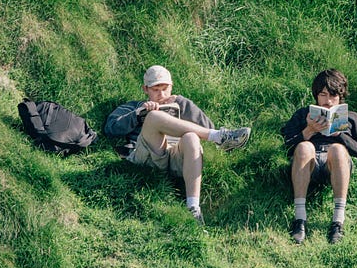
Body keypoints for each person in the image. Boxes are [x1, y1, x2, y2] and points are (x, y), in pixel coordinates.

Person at [104, 65, 251, 224]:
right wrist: (138, 114)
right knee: (153, 116)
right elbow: (110, 128)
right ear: (145, 89)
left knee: (192, 137)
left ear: (171, 87)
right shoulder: (134, 106)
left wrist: (183, 103)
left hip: (175, 159)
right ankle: (219, 137)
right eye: (155, 89)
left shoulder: (180, 103)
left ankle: (193, 208)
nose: (161, 94)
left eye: (165, 88)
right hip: (147, 155)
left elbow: (208, 125)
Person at [280, 68, 357, 244]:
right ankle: (300, 219)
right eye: (323, 95)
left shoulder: (351, 118)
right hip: (309, 164)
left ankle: (338, 221)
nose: (328, 101)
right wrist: (308, 131)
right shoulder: (303, 114)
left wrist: (340, 134)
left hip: (337, 165)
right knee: (305, 147)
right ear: (316, 95)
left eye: (333, 95)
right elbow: (286, 146)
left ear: (340, 97)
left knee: (336, 150)